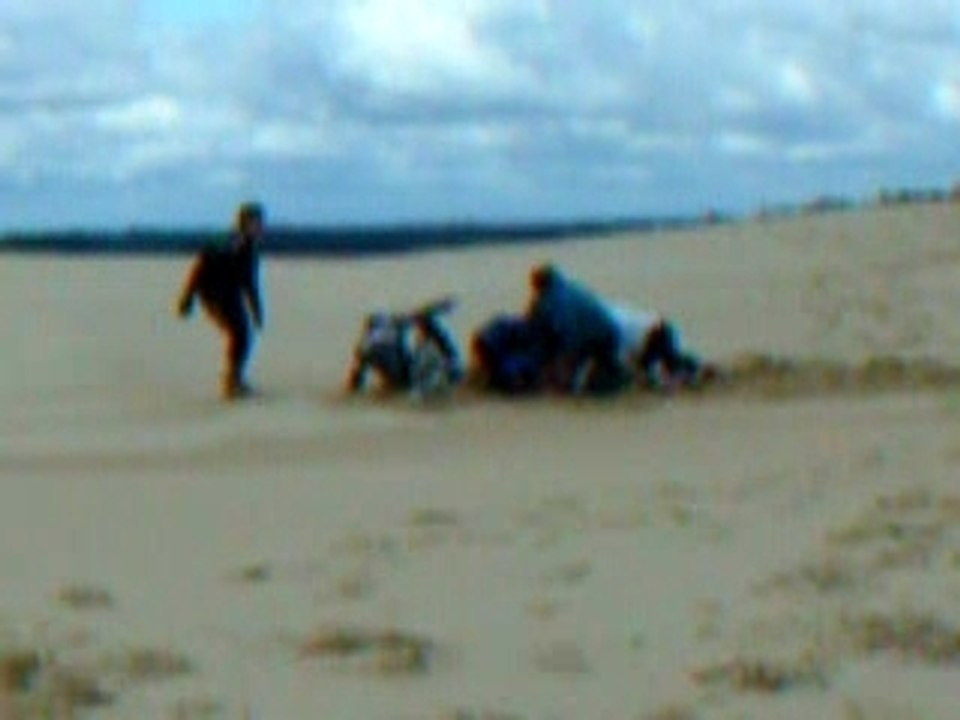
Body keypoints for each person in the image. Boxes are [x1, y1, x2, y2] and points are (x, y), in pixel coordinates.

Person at [176, 201, 265, 400]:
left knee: (243, 335)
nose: (260, 226)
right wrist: (187, 299)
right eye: (256, 222)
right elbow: (199, 269)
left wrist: (257, 310)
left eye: (260, 222)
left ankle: (235, 379)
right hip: (213, 294)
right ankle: (232, 382)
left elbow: (250, 283)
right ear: (244, 222)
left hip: (231, 295)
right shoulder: (225, 241)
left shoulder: (251, 248)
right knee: (239, 332)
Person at [525, 263, 624, 393]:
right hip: (609, 332)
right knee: (607, 371)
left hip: (582, 337)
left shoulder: (551, 299)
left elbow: (559, 328)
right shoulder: (571, 287)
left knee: (564, 379)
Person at [346, 296, 462, 395]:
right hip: (405, 377)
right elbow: (419, 316)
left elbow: (356, 379)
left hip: (403, 376)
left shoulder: (366, 346)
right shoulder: (389, 330)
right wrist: (440, 306)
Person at [607, 302, 713, 390]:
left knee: (648, 376)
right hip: (660, 327)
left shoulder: (604, 322)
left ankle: (682, 378)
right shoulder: (607, 311)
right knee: (673, 361)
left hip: (647, 337)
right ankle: (696, 369)